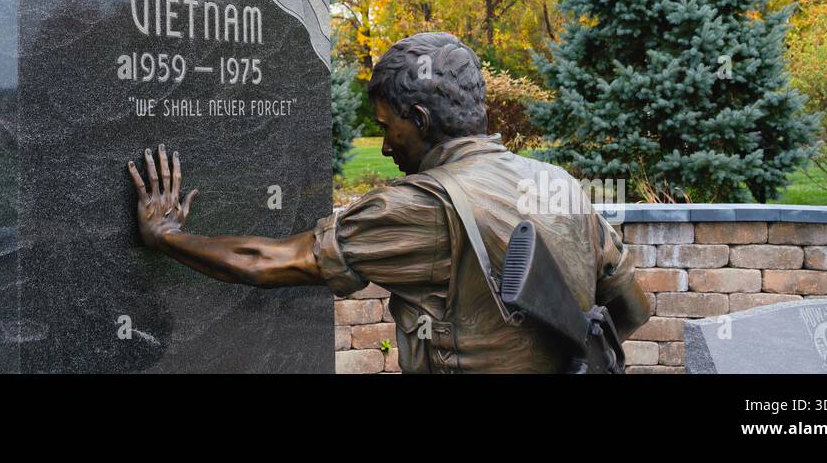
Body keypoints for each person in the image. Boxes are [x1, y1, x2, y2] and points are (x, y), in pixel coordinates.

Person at [127, 31, 651, 373]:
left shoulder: (423, 207)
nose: (384, 146)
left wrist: (168, 236)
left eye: (387, 127)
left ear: (420, 121)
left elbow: (267, 261)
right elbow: (633, 307)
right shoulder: (558, 183)